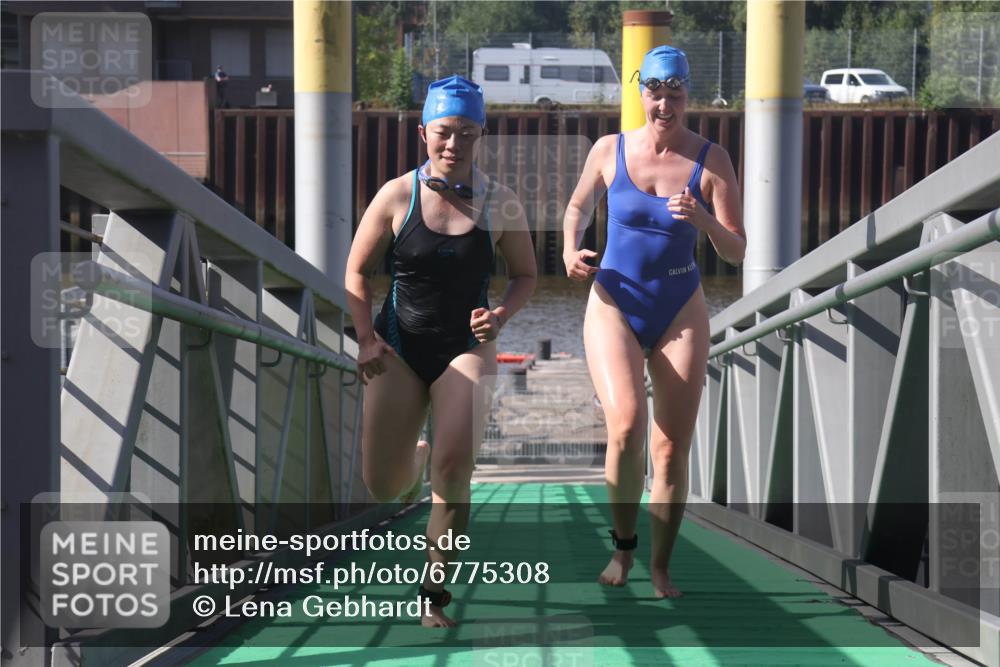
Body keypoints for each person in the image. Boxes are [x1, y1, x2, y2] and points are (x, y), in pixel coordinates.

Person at [345, 75, 536, 626]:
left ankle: (433, 595)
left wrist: (499, 314)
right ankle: (417, 458)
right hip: (398, 347)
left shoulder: (501, 202)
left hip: (467, 348)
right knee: (384, 486)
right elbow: (357, 272)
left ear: (482, 135)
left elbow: (525, 275)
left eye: (468, 135)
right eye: (445, 133)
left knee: (454, 472)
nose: (455, 145)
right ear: (423, 130)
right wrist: (364, 338)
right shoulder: (397, 195)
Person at [562, 46, 746, 598]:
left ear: (688, 95)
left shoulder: (711, 159)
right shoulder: (608, 149)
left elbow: (736, 251)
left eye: (675, 94)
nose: (664, 104)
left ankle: (661, 568)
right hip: (615, 300)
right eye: (655, 93)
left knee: (670, 447)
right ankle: (623, 548)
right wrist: (572, 249)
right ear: (641, 93)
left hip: (679, 305)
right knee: (625, 425)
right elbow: (576, 208)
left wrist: (704, 219)